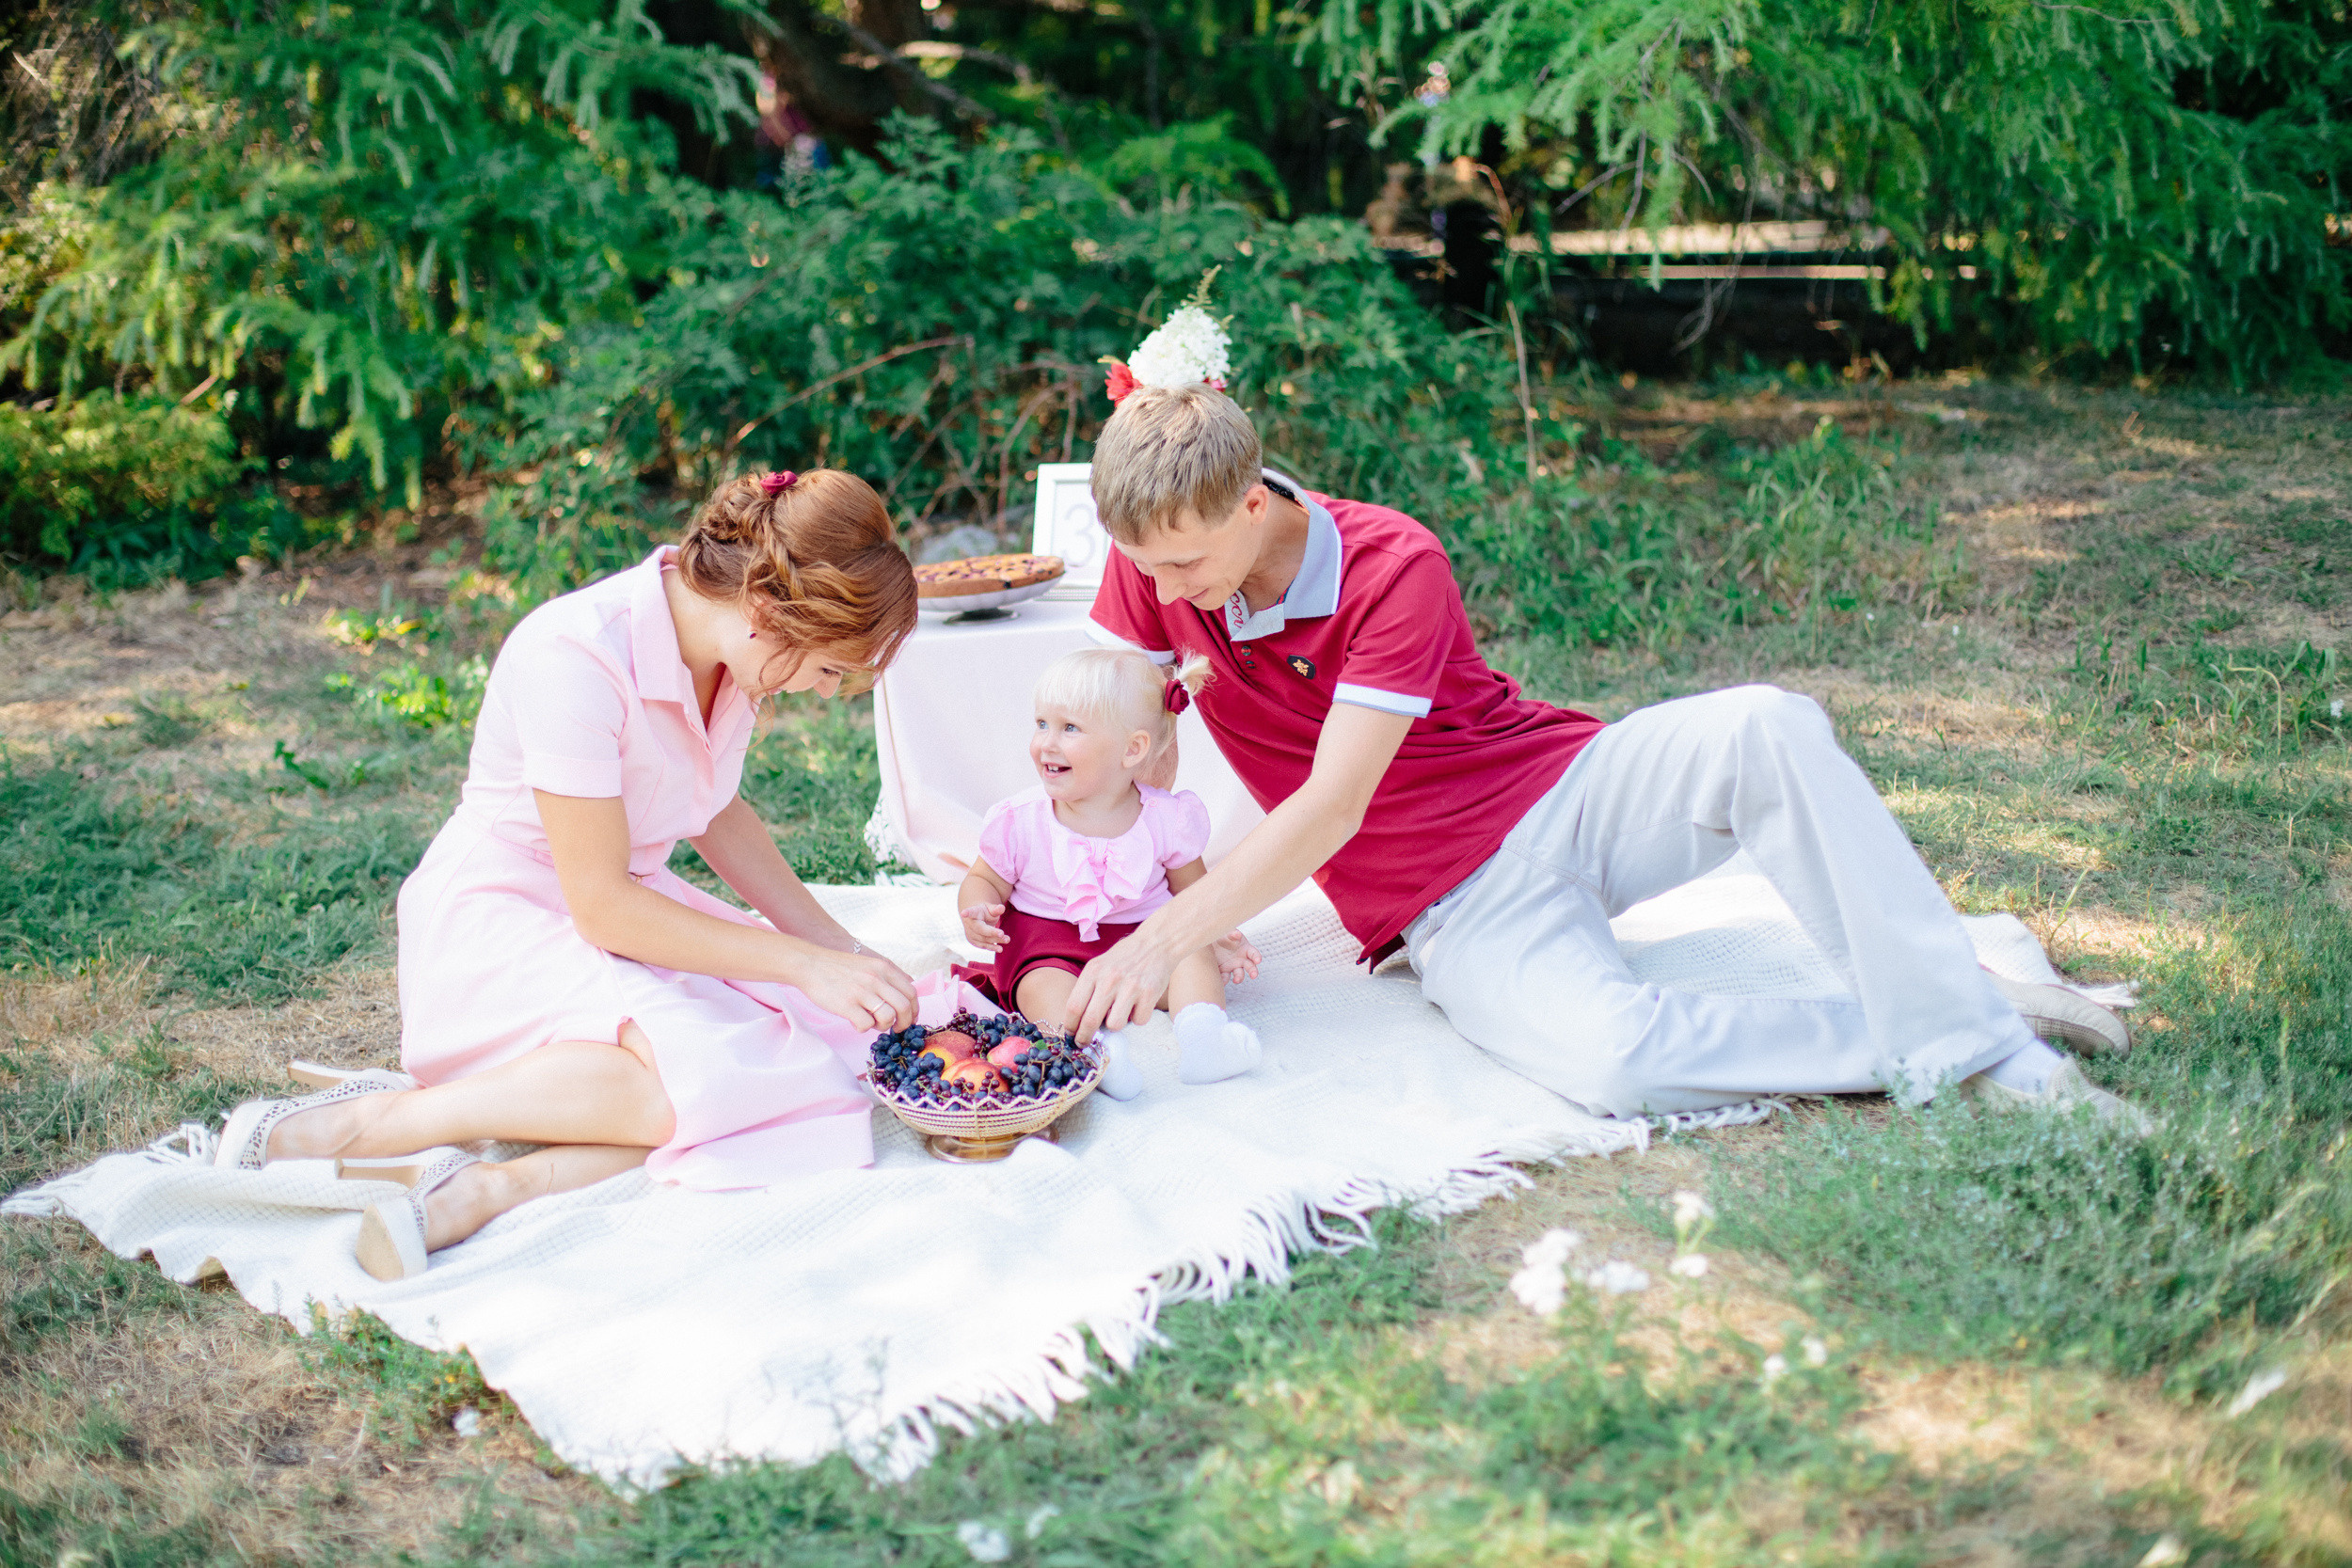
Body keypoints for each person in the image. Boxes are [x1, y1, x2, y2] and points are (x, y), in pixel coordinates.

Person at [1063, 384, 2140, 1126]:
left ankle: (1996, 1056)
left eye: (1185, 563)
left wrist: (1163, 941)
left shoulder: (1394, 563)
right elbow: (1131, 754)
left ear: (1253, 502)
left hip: (1564, 790)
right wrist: (1123, 902)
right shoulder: (1159, 565)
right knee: (1613, 1062)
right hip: (1450, 906)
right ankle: (1945, 1018)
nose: (1163, 592)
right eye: (1143, 566)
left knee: (1766, 721)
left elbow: (1334, 804)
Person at [205, 467, 968, 1280]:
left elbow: (713, 808)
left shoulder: (734, 659)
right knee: (685, 1089)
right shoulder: (572, 653)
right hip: (502, 918)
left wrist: (835, 947)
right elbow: (601, 903)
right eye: (830, 669)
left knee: (808, 1058)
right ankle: (359, 1125)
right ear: (769, 612)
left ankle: (487, 1188)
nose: (829, 691)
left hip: (627, 911)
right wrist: (800, 963)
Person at [956, 647, 1262, 1098]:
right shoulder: (1021, 820)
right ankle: (1095, 1053)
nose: (1046, 742)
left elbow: (1196, 893)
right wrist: (976, 906)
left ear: (1132, 749)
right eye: (1042, 724)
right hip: (1049, 944)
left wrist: (1221, 936)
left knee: (1190, 954)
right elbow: (986, 879)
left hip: (1147, 942)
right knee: (1041, 989)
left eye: (1070, 729)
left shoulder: (1165, 818)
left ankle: (1204, 1036)